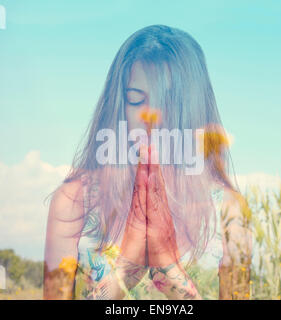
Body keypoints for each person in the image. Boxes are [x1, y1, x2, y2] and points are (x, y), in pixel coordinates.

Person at [43, 24, 252, 300]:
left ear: (193, 106)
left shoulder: (230, 210)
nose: (150, 117)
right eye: (135, 100)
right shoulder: (74, 201)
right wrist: (126, 266)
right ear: (118, 105)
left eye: (168, 101)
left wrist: (167, 264)